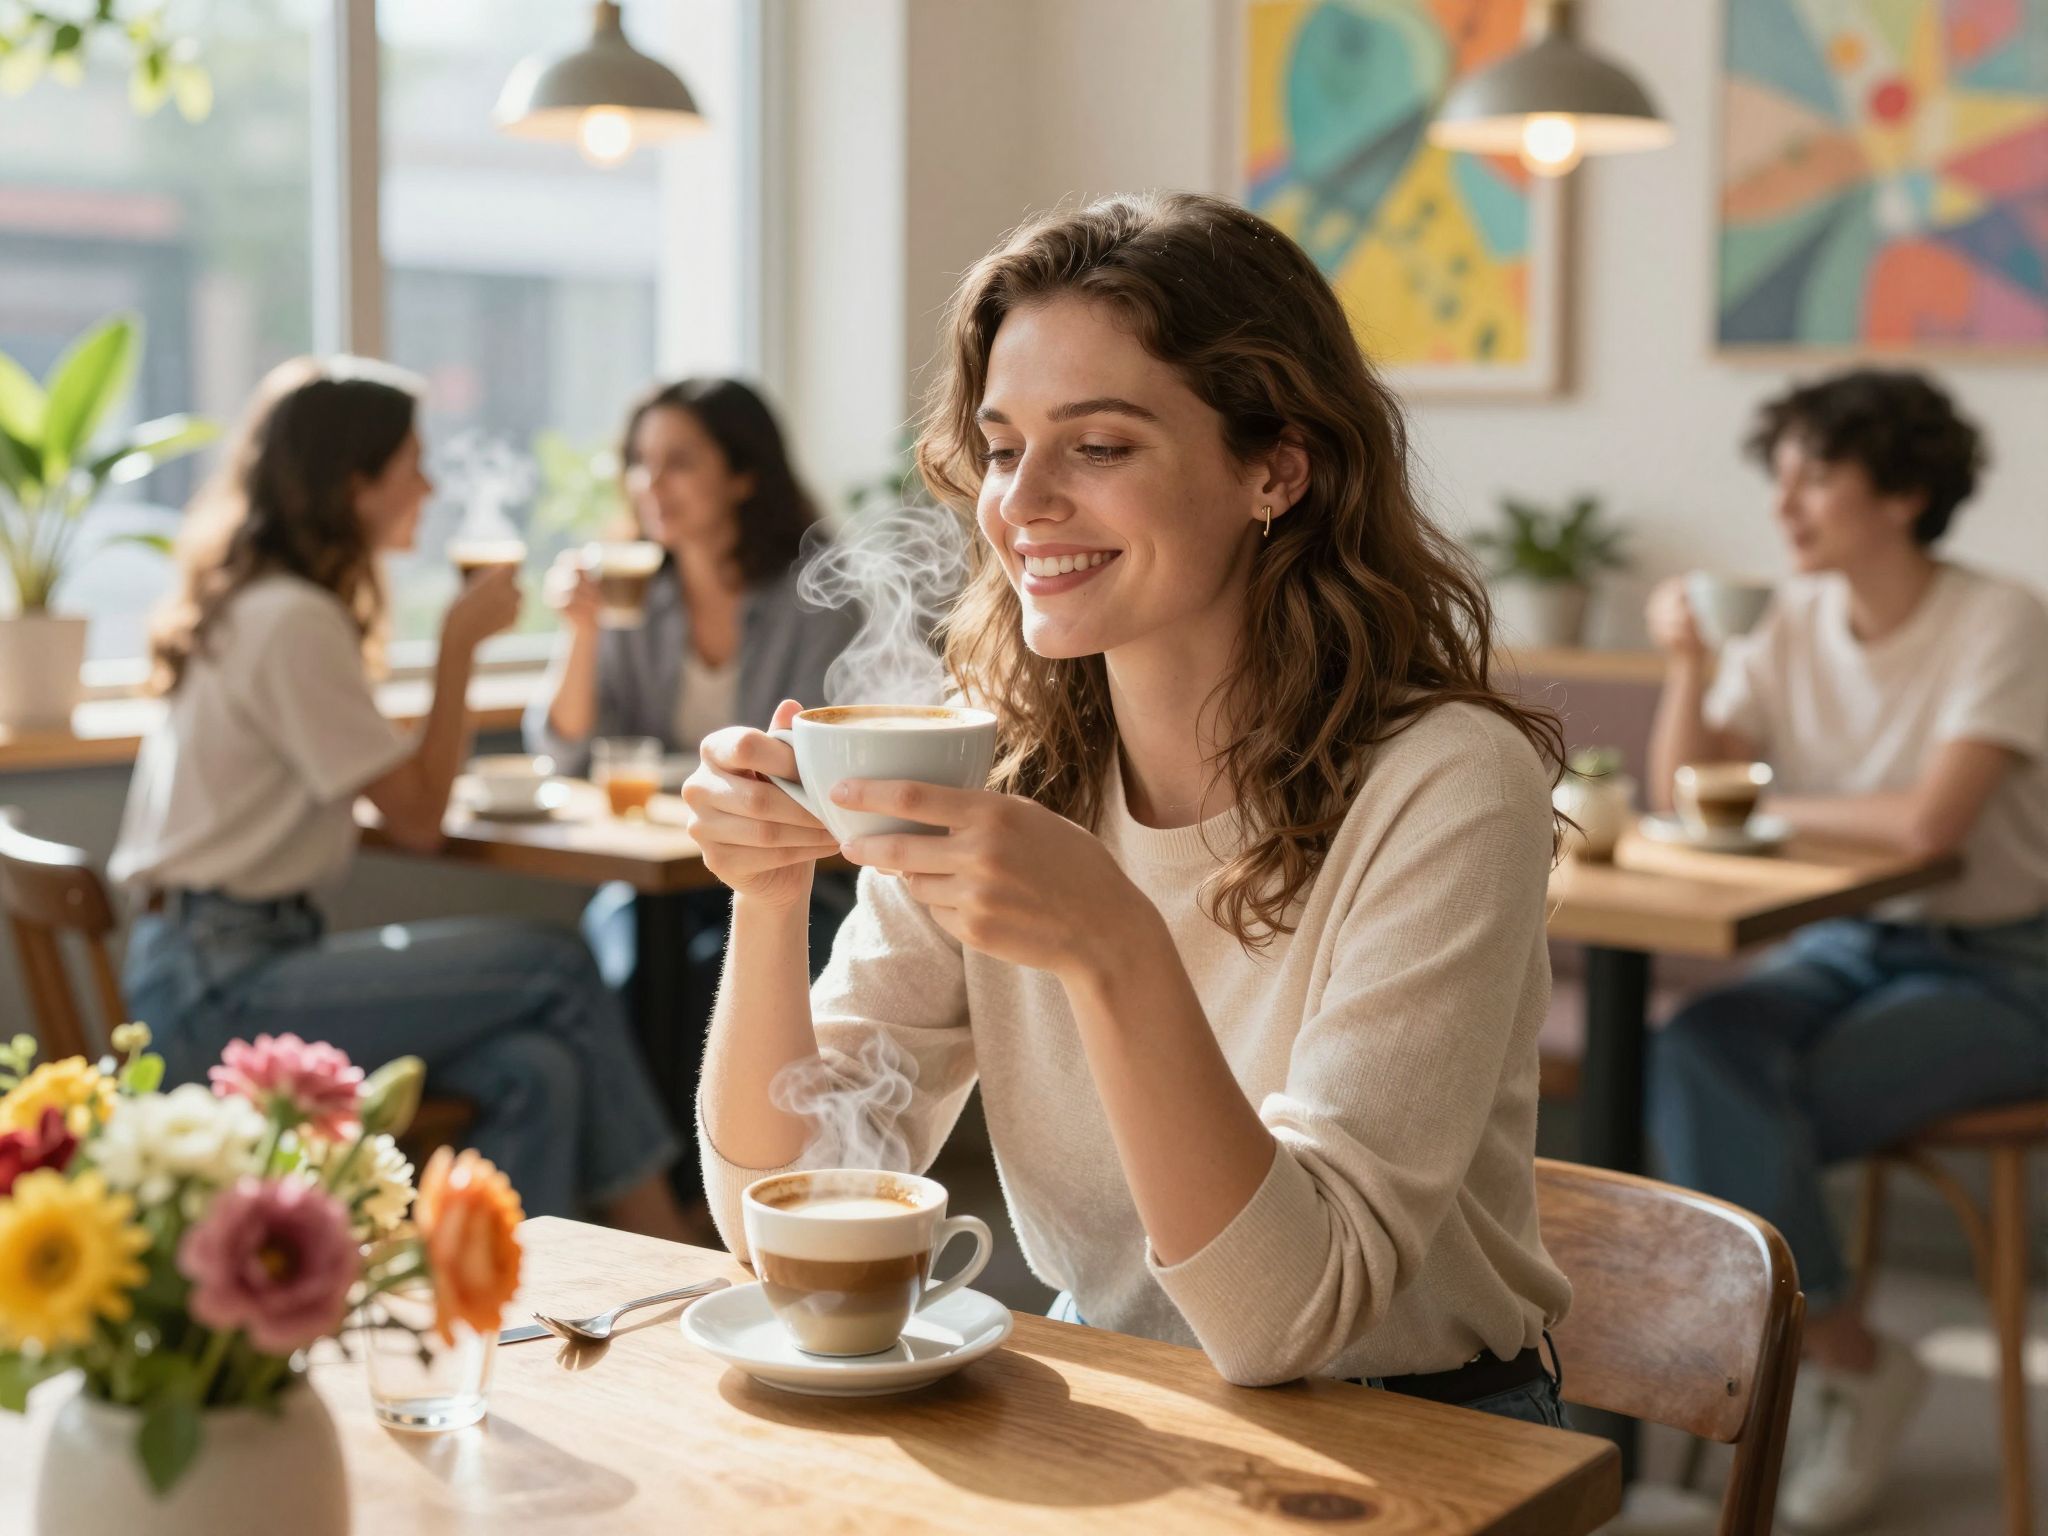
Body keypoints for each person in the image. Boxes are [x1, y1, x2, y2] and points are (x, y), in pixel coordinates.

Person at [681, 192, 1576, 1417]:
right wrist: (771, 898)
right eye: (1001, 448)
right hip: (1116, 1402)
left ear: (1275, 469)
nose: (1022, 503)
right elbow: (773, 1213)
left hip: (1418, 1434)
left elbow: (1286, 1321)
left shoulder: (1449, 783)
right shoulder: (1000, 761)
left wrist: (1109, 942)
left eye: (1096, 447)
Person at [112, 356, 694, 1239]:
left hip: (216, 960)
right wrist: (458, 644)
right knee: (556, 964)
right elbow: (419, 822)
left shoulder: (264, 604)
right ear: (354, 483)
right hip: (222, 991)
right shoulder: (294, 620)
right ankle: (675, 1245)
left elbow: (392, 800)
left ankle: (511, 1309)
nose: (427, 485)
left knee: (537, 1069)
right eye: (410, 464)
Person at [1645, 369, 2048, 1531]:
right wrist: (1682, 667)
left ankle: (1814, 1373)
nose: (1784, 509)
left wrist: (1769, 808)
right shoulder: (1786, 620)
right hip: (1850, 939)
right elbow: (1683, 789)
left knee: (1755, 1099)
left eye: (1816, 475)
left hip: (2010, 964)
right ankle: (1857, 1356)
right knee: (1693, 1051)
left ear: (1904, 491)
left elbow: (1933, 824)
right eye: (1778, 480)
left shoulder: (1997, 621)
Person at [524, 378, 859, 1197]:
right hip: (661, 878)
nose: (650, 486)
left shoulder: (819, 596)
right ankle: (669, 1203)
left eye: (678, 463)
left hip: (792, 875)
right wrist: (580, 632)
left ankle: (723, 1198)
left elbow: (823, 770)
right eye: (640, 464)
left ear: (743, 474)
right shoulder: (642, 597)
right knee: (631, 951)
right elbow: (565, 754)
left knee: (714, 963)